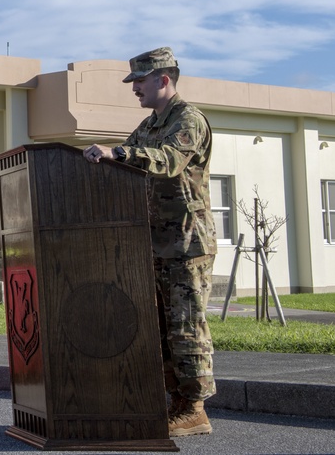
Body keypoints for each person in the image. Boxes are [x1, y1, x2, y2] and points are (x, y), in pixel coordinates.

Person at [83, 47, 216, 438]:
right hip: (154, 244)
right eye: (134, 82)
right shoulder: (148, 125)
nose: (134, 88)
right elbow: (122, 162)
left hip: (187, 244)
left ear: (164, 79)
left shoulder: (188, 120)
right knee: (159, 329)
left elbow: (169, 160)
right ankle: (174, 402)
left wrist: (118, 151)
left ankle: (194, 409)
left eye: (140, 81)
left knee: (185, 327)